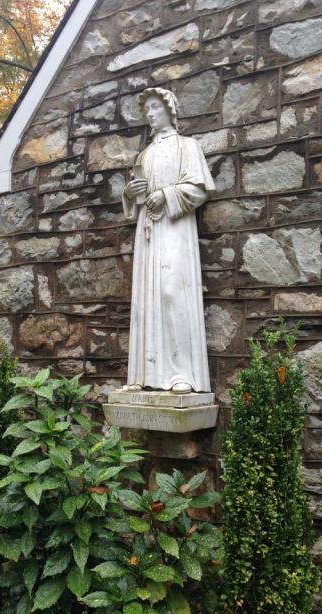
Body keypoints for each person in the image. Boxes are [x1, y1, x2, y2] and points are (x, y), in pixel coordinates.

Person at [122, 87, 215, 394]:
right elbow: (134, 197)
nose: (150, 114)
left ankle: (182, 373)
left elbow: (199, 190)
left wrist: (166, 195)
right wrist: (131, 194)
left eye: (155, 108)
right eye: (146, 109)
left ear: (169, 110)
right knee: (146, 298)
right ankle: (145, 374)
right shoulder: (144, 155)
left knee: (172, 291)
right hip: (148, 230)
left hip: (175, 228)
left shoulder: (187, 147)